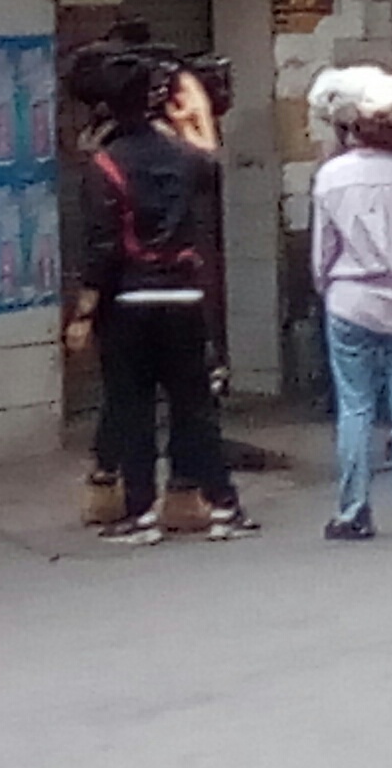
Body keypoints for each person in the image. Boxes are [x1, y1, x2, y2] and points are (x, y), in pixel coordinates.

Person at [65, 46, 258, 544]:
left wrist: (84, 312)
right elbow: (212, 168)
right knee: (195, 406)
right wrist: (197, 116)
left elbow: (101, 246)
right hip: (183, 297)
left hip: (129, 302)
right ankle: (225, 506)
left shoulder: (105, 165)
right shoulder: (185, 157)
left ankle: (140, 513)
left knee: (132, 408)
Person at [307, 69, 392, 541]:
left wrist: (327, 288)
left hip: (351, 302)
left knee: (356, 407)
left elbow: (323, 250)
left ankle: (353, 511)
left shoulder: (332, 175)